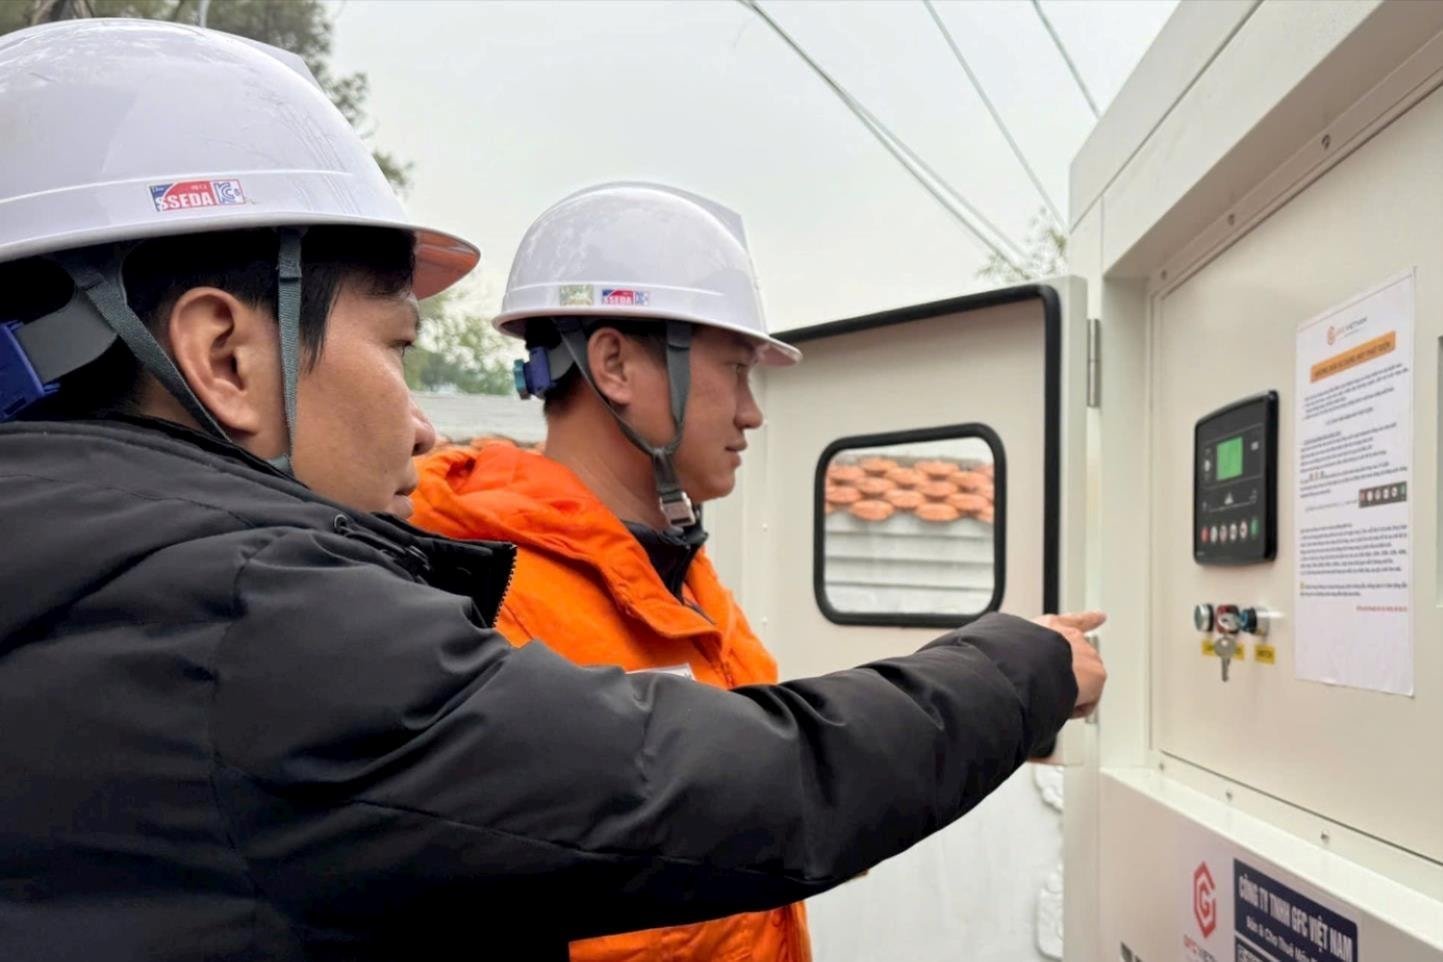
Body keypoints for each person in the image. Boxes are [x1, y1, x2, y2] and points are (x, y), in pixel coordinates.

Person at [0, 19, 1107, 962]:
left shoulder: (101, 588)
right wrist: (1020, 668)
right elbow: (749, 785)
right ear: (224, 354)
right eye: (395, 345)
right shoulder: (305, 619)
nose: (425, 416)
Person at [409, 182, 818, 962]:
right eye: (734, 369)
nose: (751, 411)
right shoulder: (488, 609)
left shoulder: (678, 578)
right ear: (615, 364)